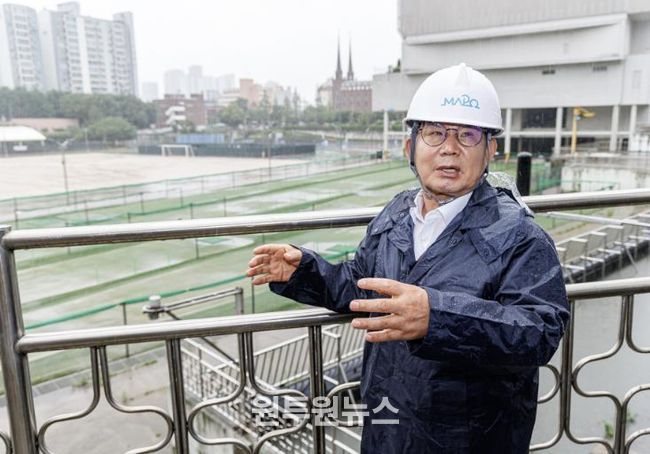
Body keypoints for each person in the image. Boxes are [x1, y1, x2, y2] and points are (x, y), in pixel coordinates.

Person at [246, 63, 569, 453]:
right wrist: (304, 272)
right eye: (434, 132)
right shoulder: (398, 213)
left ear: (490, 151)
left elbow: (539, 331)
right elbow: (363, 285)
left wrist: (436, 316)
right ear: (410, 147)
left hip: (468, 439)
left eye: (467, 135)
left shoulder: (520, 236)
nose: (449, 148)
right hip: (389, 425)